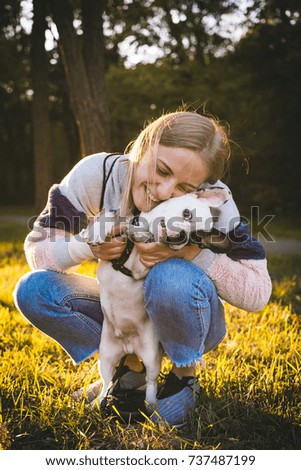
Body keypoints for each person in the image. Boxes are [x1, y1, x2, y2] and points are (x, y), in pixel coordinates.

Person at [13, 111, 272, 427]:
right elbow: (36, 251)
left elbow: (258, 293)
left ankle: (183, 376)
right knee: (34, 290)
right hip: (125, 312)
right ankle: (131, 369)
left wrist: (192, 254)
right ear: (142, 145)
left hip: (189, 315)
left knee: (170, 275)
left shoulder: (214, 203)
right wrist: (85, 246)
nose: (163, 191)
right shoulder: (98, 174)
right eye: (161, 170)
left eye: (183, 187)